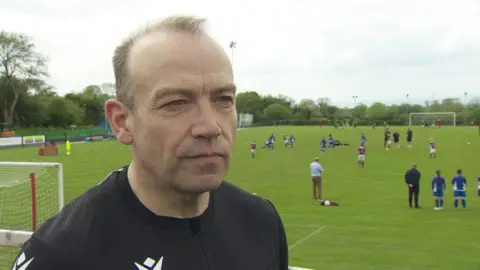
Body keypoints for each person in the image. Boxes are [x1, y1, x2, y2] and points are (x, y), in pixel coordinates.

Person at [12, 16, 288, 270]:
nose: (210, 126)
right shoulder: (60, 255)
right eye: (176, 103)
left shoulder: (261, 221)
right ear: (121, 121)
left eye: (223, 100)